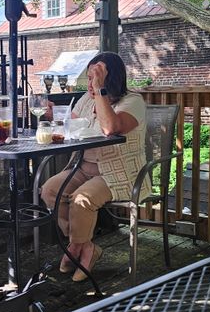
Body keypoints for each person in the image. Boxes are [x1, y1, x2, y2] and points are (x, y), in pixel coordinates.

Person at [40, 52, 148, 282]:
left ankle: (78, 249)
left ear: (113, 79)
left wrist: (100, 91)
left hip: (117, 171)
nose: (90, 84)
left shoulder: (133, 101)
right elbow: (72, 124)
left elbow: (110, 128)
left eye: (96, 78)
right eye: (89, 78)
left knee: (82, 200)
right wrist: (52, 116)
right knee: (50, 190)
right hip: (82, 166)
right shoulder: (87, 99)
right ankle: (85, 246)